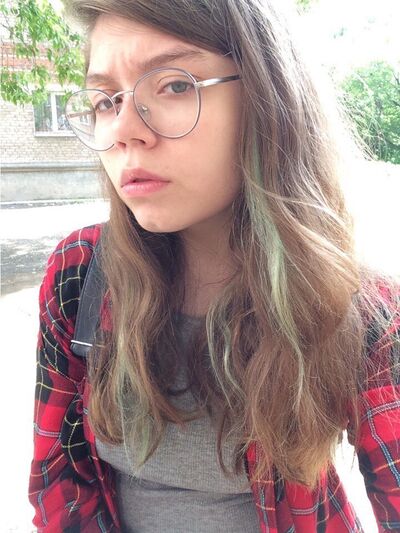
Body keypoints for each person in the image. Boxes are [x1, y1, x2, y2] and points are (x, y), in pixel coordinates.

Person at [28, 0, 400, 531]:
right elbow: (59, 480)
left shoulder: (356, 306)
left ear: (268, 100)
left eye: (175, 85)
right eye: (106, 100)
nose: (124, 130)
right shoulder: (81, 273)